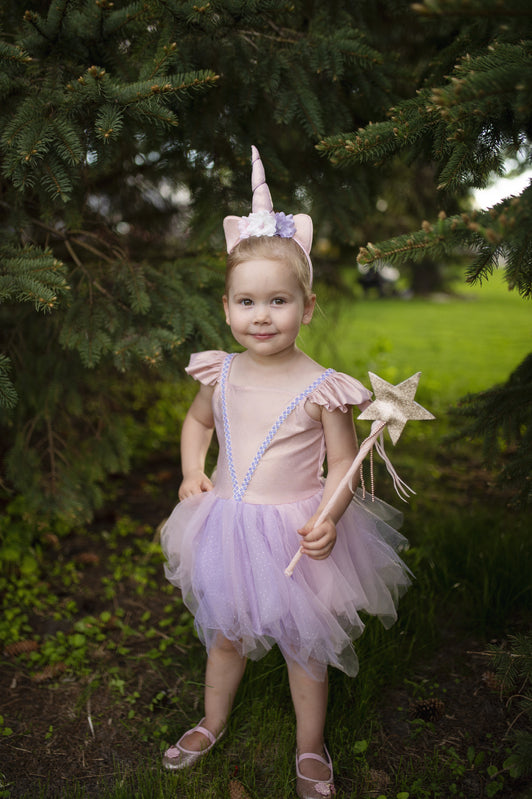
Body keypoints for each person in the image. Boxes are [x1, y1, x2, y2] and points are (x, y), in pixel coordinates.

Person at [160, 147, 411, 799]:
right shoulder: (222, 371)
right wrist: (193, 470)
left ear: (308, 304)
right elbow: (198, 424)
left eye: (278, 300)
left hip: (296, 528)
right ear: (226, 307)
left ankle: (308, 744)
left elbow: (342, 467)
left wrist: (328, 518)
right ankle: (213, 719)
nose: (262, 314)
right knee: (226, 632)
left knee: (307, 644)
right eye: (248, 301)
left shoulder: (324, 388)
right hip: (228, 524)